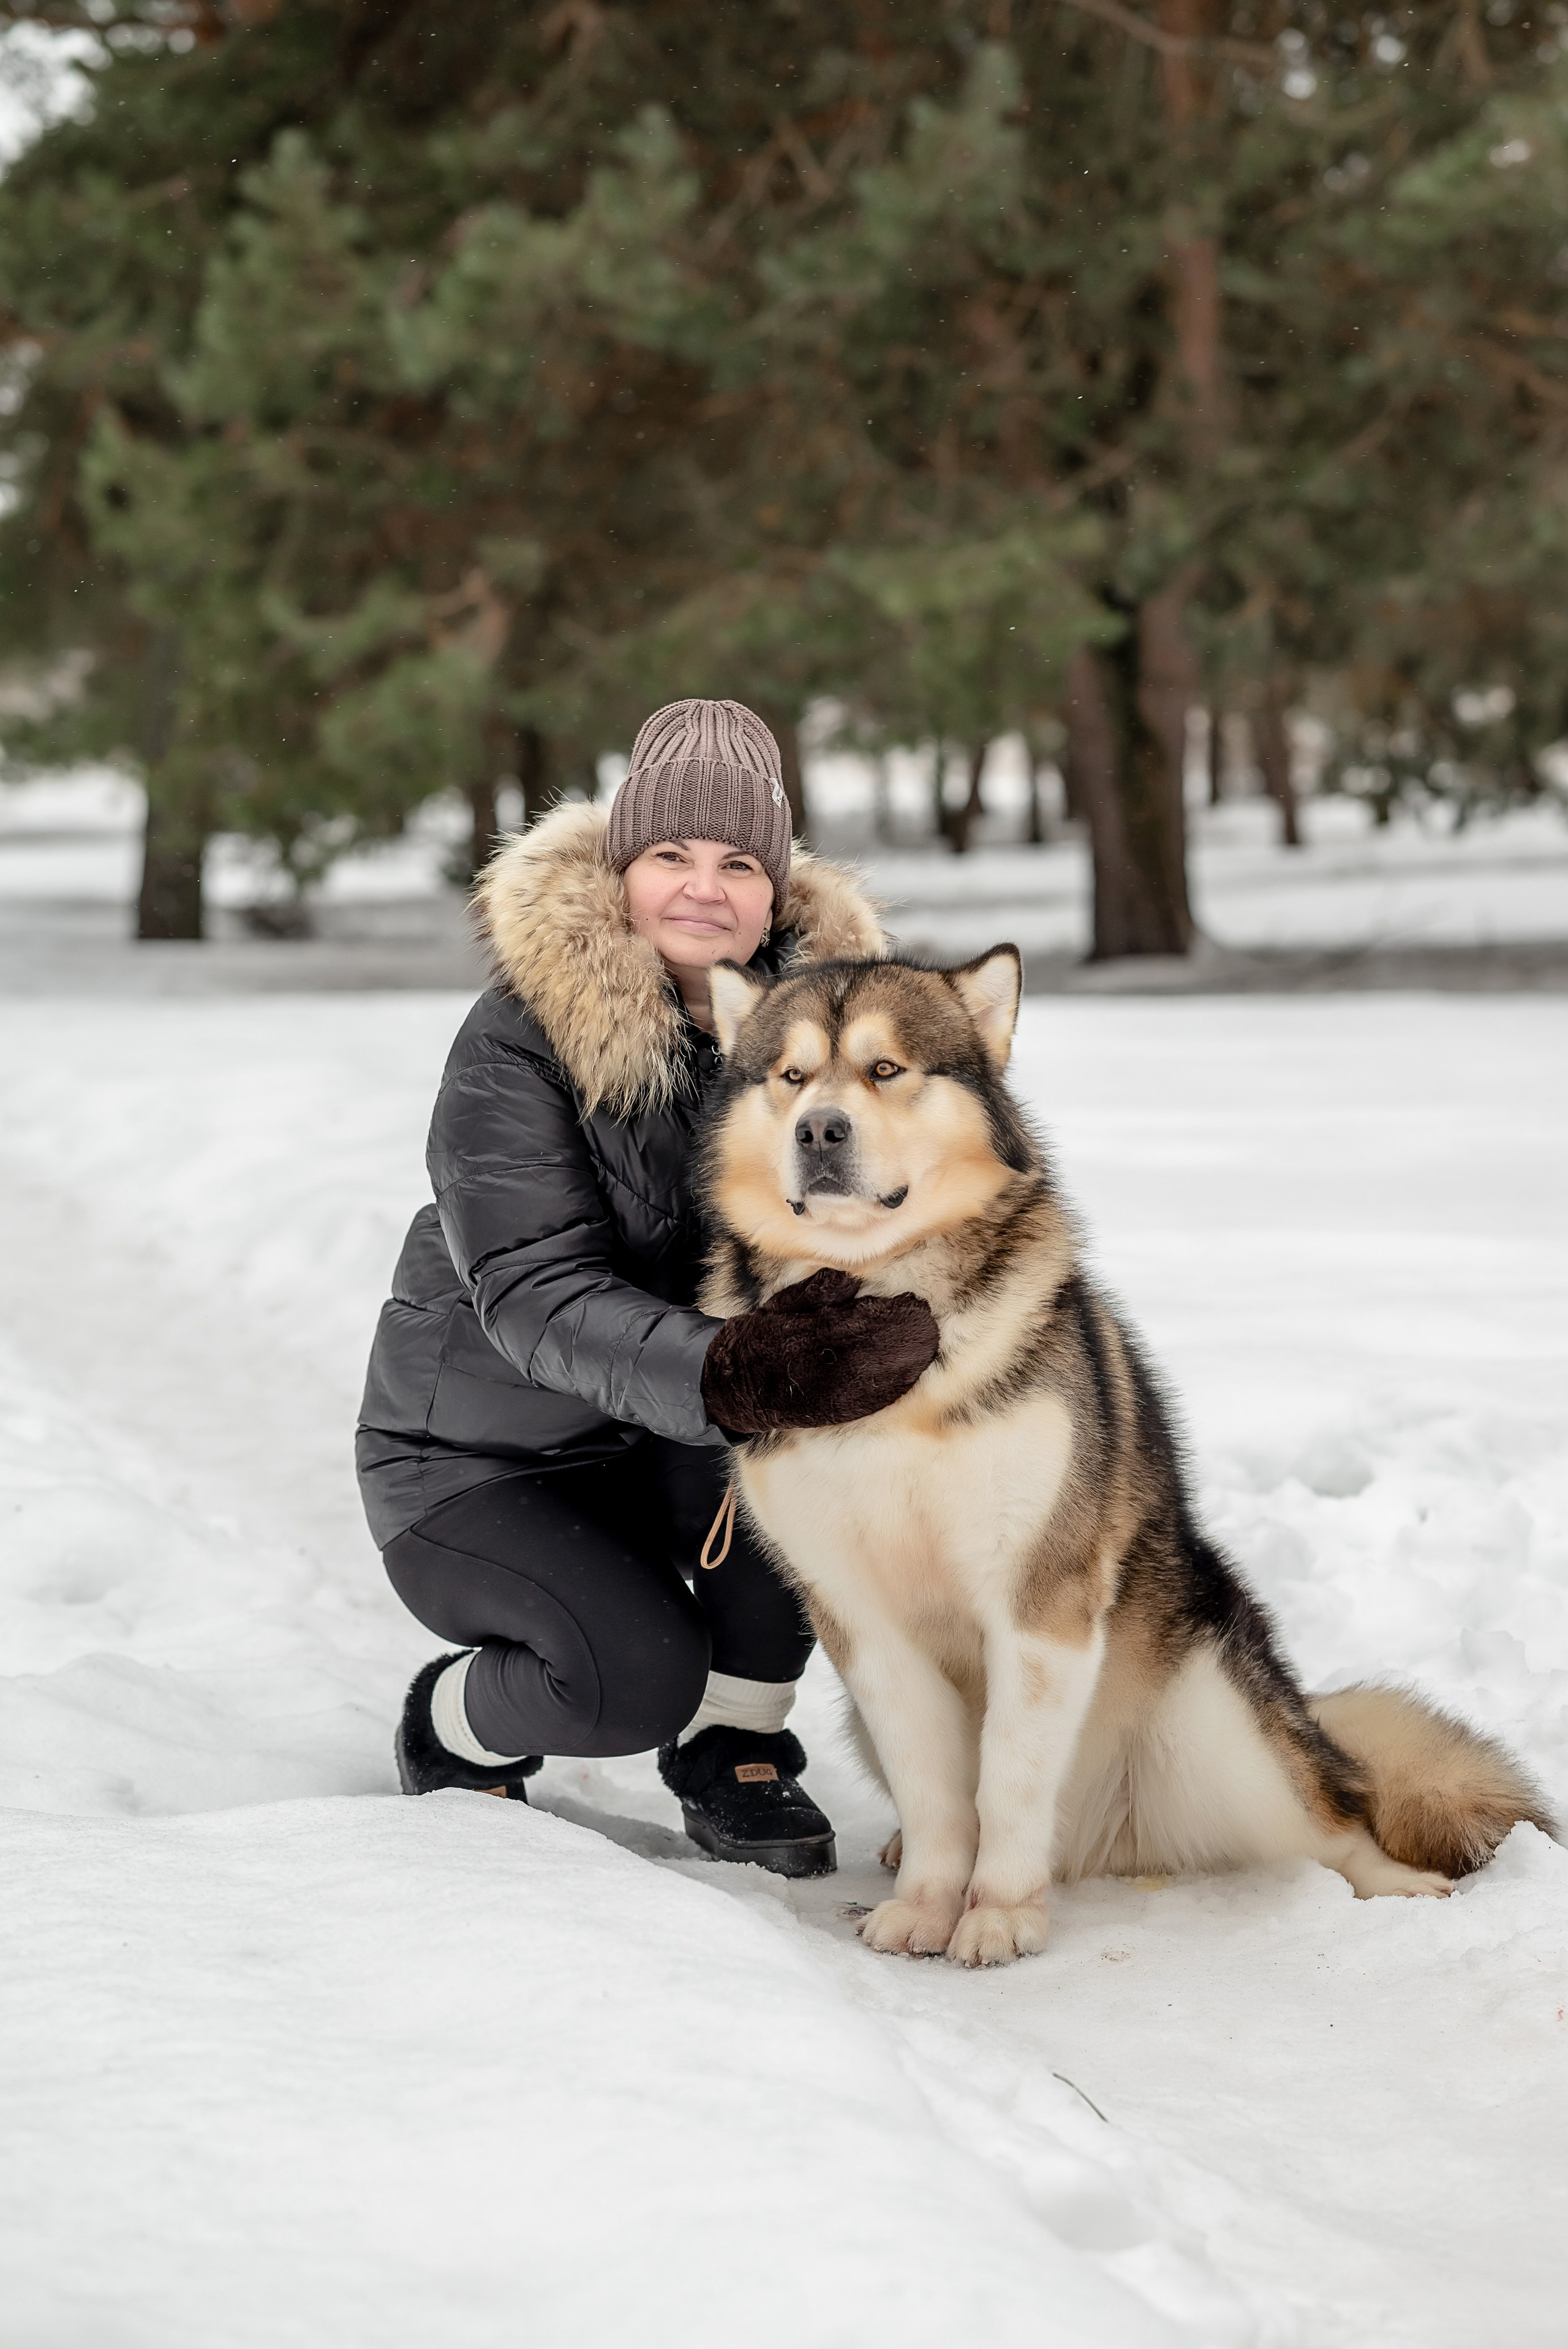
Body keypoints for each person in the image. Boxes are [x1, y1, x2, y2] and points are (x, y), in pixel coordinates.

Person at [356, 698, 939, 1876]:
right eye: (671, 854)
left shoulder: (830, 1041)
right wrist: (733, 1372)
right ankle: (452, 1722)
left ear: (777, 892)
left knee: (831, 1476)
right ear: (622, 869)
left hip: (669, 1437)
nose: (703, 890)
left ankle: (735, 1744)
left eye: (739, 864)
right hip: (481, 1460)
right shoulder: (517, 1038)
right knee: (629, 1679)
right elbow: (530, 1289)